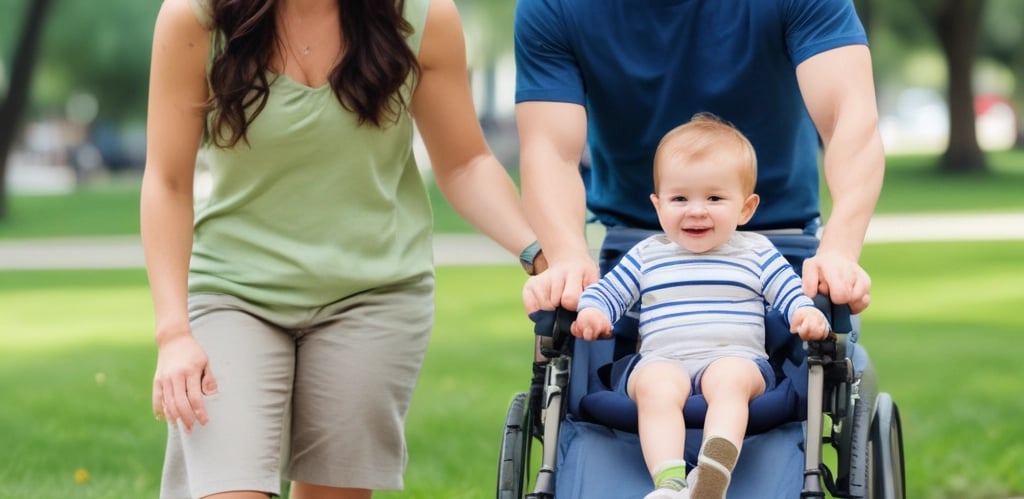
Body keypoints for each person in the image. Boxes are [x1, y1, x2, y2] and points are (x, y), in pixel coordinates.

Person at [140, 0, 543, 498]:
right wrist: (173, 333)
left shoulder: (423, 17)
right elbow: (167, 180)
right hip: (233, 291)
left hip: (373, 296)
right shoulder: (196, 18)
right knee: (226, 487)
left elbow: (464, 162)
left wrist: (539, 253)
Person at [516, 0, 884, 320]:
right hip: (633, 248)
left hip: (783, 245)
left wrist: (839, 249)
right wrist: (565, 256)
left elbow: (847, 117)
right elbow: (549, 149)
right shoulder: (554, 5)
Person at [532, 114, 830, 499]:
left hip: (736, 356)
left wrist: (804, 314)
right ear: (658, 206)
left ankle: (714, 470)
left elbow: (790, 293)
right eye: (679, 198)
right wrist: (594, 313)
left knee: (731, 380)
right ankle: (670, 483)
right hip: (661, 360)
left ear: (746, 208)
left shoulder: (756, 253)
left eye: (714, 198)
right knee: (656, 387)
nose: (696, 210)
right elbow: (608, 293)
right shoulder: (647, 255)